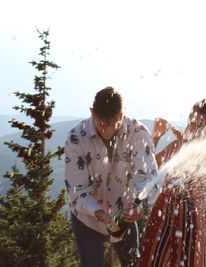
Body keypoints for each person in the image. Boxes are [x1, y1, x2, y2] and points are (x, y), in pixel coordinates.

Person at [139, 99, 206, 267]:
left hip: (192, 216)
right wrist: (156, 137)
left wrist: (185, 149)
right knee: (148, 262)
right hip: (163, 209)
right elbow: (147, 169)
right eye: (193, 122)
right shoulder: (177, 146)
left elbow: (198, 192)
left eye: (202, 125)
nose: (195, 128)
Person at [64, 87, 158, 267]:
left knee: (132, 263)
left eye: (115, 123)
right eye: (102, 124)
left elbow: (148, 177)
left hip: (125, 216)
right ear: (92, 112)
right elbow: (77, 189)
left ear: (123, 114)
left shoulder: (138, 133)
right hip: (87, 219)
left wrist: (140, 205)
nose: (108, 130)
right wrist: (98, 212)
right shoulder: (76, 137)